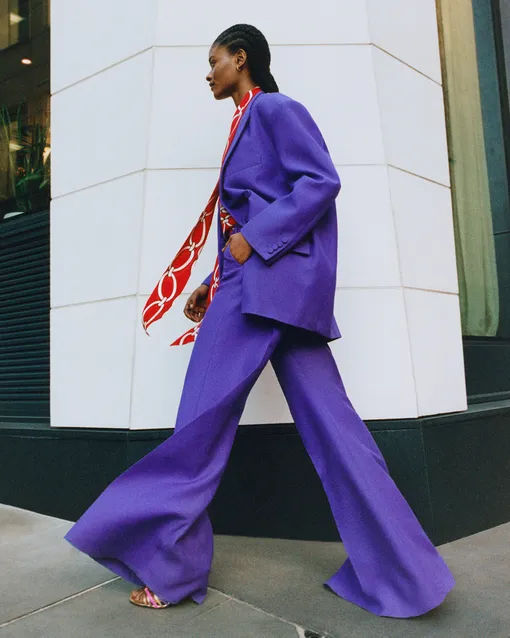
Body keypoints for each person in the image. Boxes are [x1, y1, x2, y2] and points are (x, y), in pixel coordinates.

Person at [64, 24, 455, 618]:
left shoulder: (273, 108)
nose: (208, 72)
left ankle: (172, 572)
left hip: (263, 290)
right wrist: (212, 279)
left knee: (197, 427)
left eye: (214, 60)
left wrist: (251, 242)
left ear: (240, 58)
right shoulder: (245, 119)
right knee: (337, 433)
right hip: (265, 289)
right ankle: (407, 575)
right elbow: (245, 220)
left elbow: (321, 181)